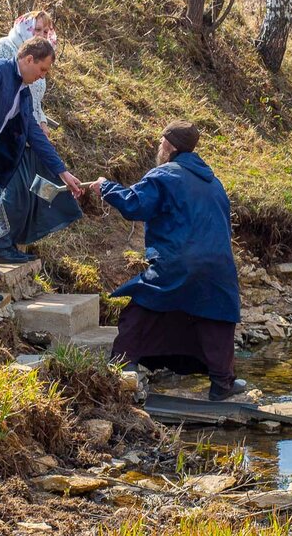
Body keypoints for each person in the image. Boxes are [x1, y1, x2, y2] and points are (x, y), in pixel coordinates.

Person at [92, 121, 246, 401]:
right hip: (219, 265)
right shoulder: (213, 181)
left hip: (179, 261)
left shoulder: (164, 175)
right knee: (215, 319)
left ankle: (121, 366)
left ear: (170, 146)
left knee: (144, 306)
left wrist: (105, 187)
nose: (158, 148)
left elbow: (134, 204)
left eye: (160, 143)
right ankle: (222, 384)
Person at [0, 37, 83, 307]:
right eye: (42, 69)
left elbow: (34, 132)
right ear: (28, 59)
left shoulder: (22, 90)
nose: (43, 76)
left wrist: (62, 172)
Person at [0, 11, 82, 263]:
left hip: (26, 135)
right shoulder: (3, 53)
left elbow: (32, 103)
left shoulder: (31, 79)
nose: (42, 35)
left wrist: (41, 123)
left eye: (45, 31)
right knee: (8, 194)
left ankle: (13, 242)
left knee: (34, 191)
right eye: (37, 30)